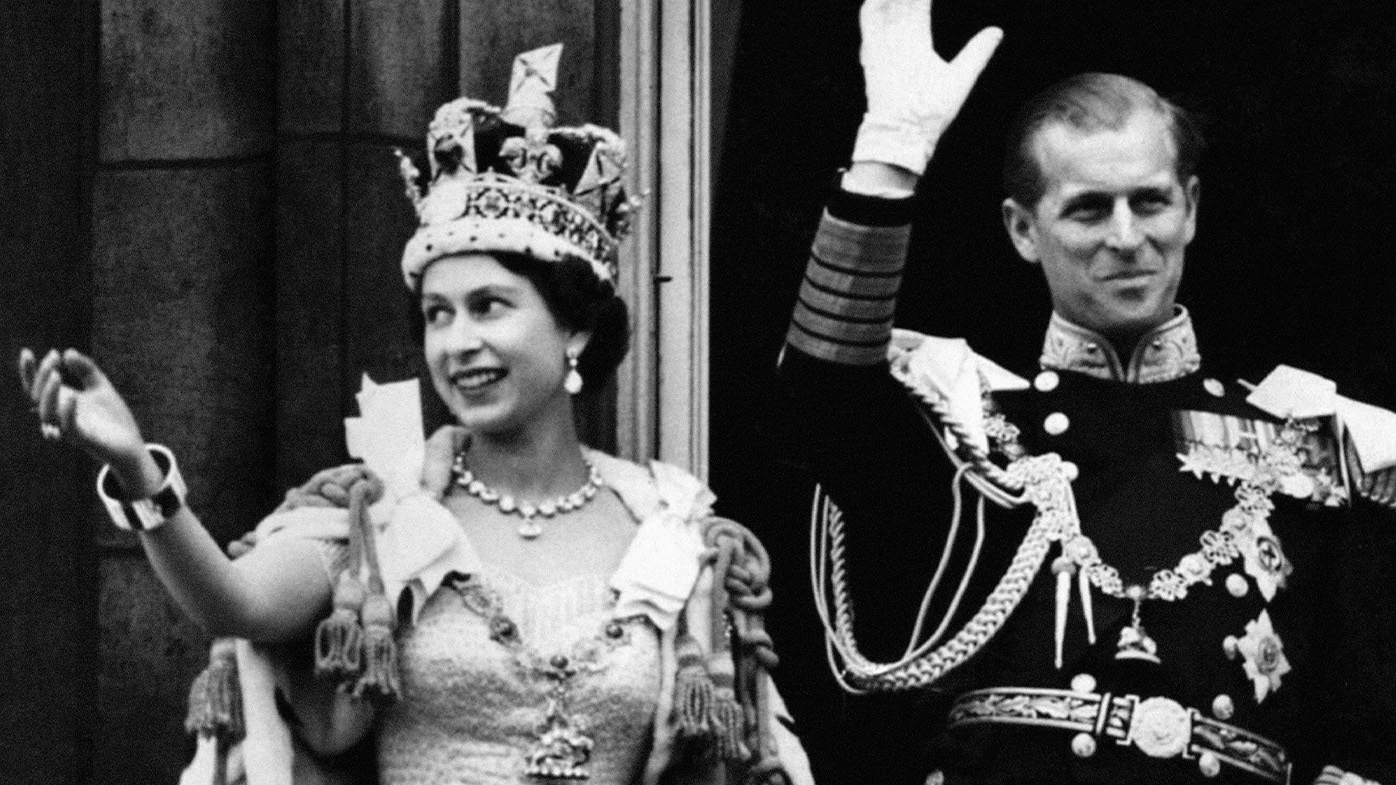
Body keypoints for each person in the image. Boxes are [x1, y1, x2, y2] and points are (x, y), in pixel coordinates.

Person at [19, 44, 812, 785]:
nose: (458, 342)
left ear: (575, 326)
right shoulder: (385, 514)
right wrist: (136, 469)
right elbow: (235, 600)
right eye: (438, 314)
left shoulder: (665, 525)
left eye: (489, 306)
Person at [777, 1, 1396, 783]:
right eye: (1088, 209)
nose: (1127, 237)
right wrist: (888, 158)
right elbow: (815, 409)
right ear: (1022, 229)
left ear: (1191, 209)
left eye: (1150, 200)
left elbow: (1370, 733)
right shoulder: (970, 425)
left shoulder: (1307, 442)